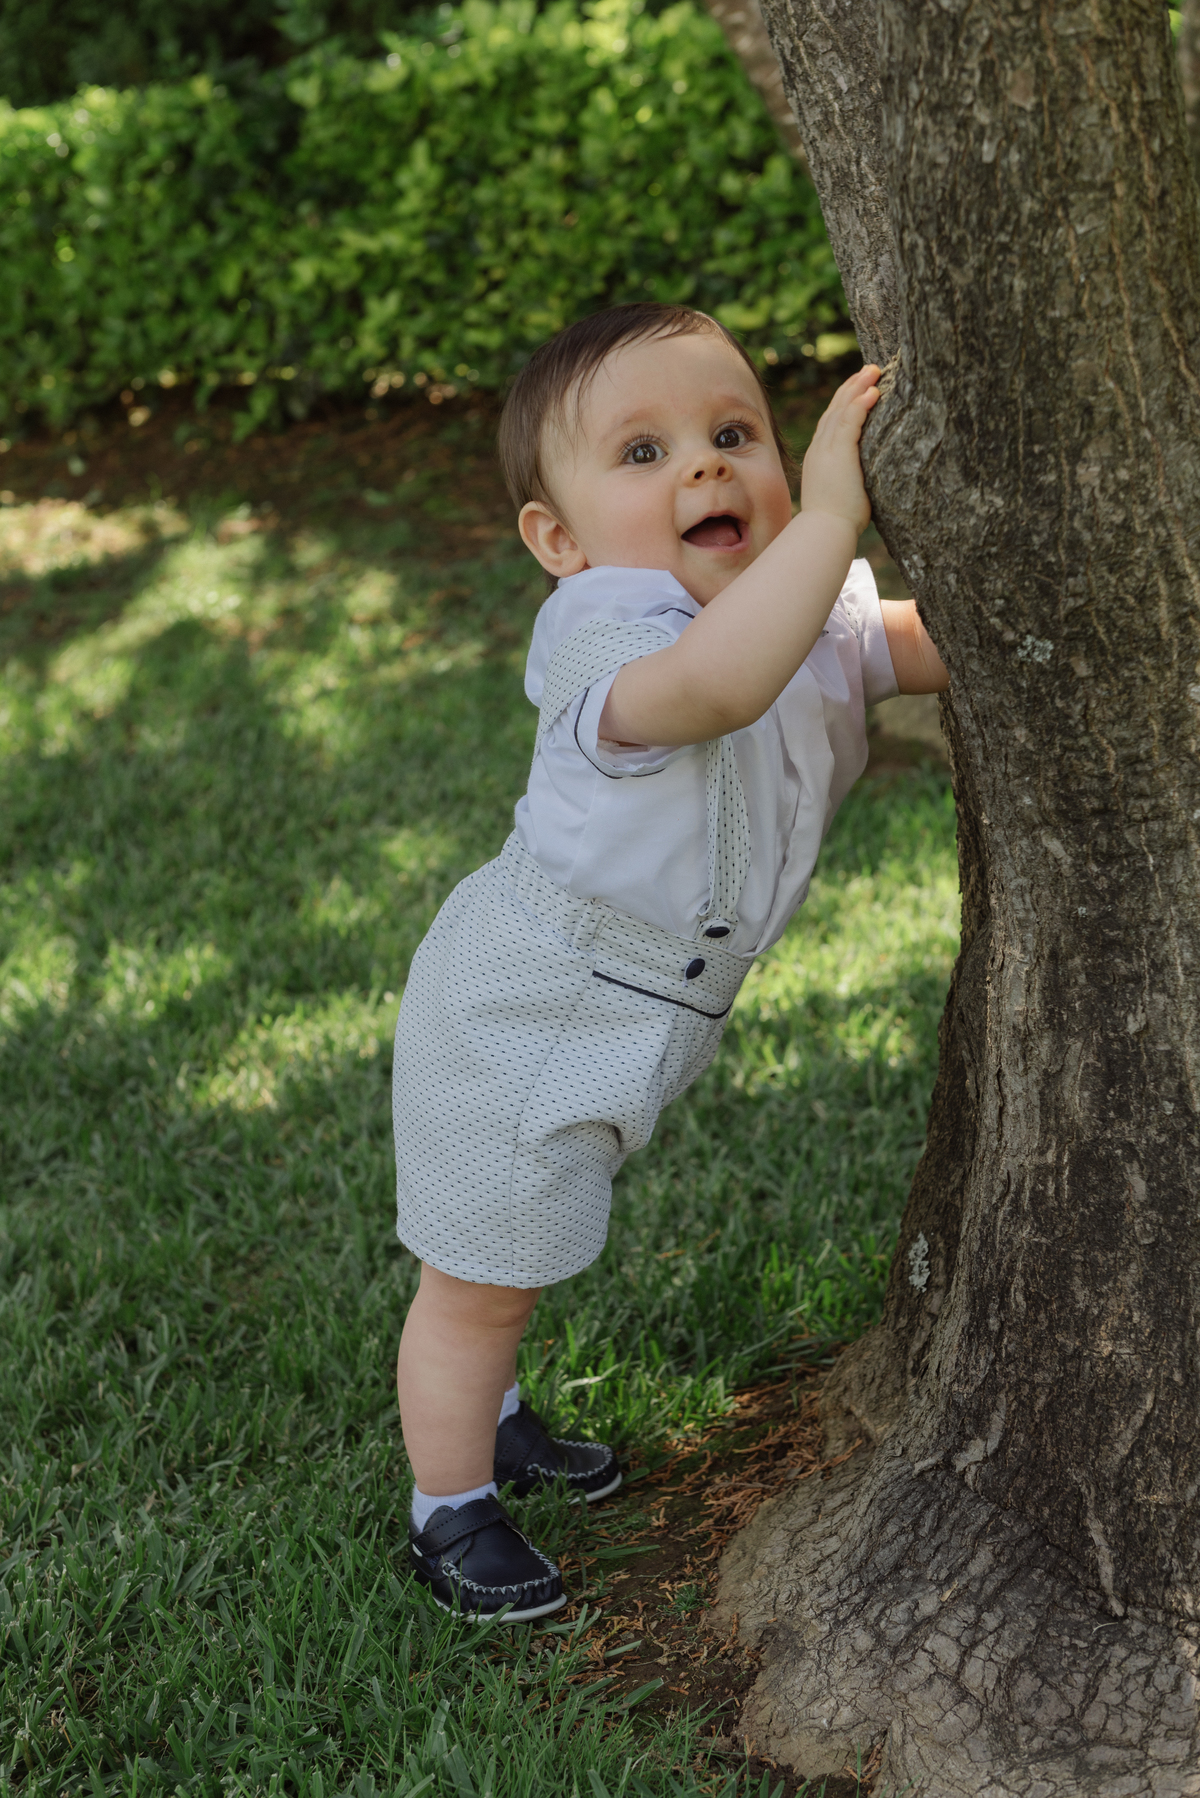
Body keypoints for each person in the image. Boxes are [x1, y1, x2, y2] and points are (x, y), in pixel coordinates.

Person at [392, 302, 948, 1620]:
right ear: (560, 540)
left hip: (635, 1006)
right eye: (643, 453)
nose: (705, 465)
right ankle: (449, 1506)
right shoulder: (613, 626)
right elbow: (717, 687)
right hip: (524, 1005)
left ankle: (504, 1428)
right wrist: (823, 515)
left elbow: (897, 648)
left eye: (734, 431)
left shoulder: (794, 607)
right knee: (477, 1278)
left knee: (520, 1255)